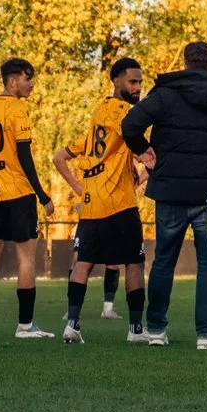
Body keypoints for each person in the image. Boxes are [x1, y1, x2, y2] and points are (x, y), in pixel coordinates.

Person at [123, 39, 207, 349]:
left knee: (163, 262)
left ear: (185, 63)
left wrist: (143, 151)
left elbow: (130, 124)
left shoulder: (166, 93)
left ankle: (156, 330)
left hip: (170, 190)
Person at [56, 56, 148, 344]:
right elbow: (140, 145)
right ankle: (135, 330)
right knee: (134, 263)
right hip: (119, 202)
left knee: (84, 262)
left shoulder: (99, 113)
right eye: (132, 82)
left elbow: (60, 158)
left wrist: (79, 188)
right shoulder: (121, 111)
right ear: (116, 81)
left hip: (92, 202)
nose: (137, 88)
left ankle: (72, 324)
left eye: (140, 83)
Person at [0, 58, 54, 340]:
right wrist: (42, 195)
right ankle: (25, 326)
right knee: (26, 259)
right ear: (13, 81)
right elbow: (24, 155)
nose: (31, 85)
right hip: (18, 194)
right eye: (28, 79)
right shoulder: (18, 109)